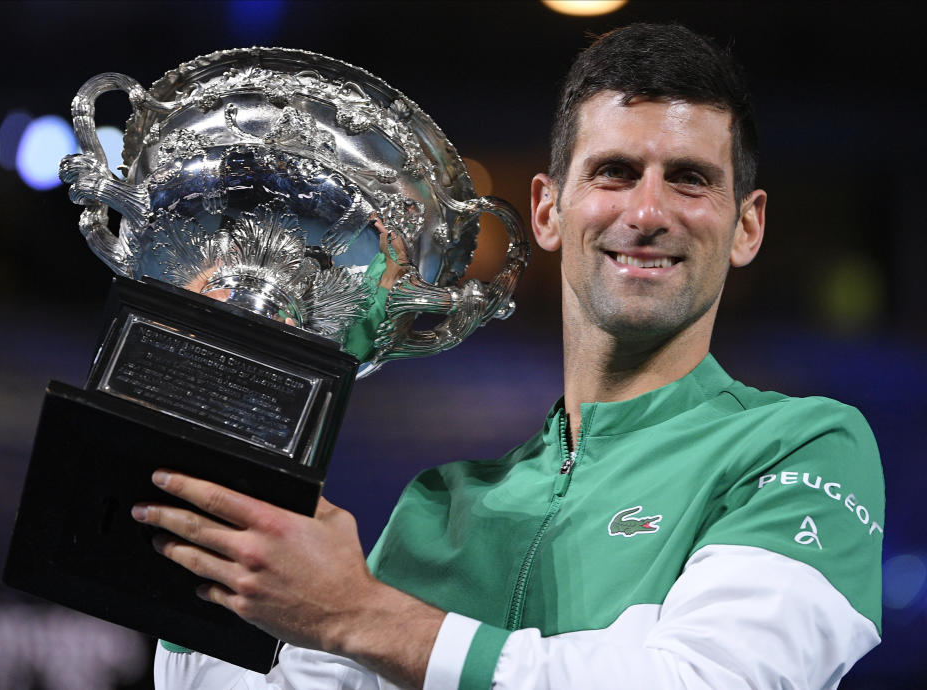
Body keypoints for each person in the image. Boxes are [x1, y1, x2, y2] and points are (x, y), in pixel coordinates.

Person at [132, 23, 884, 689]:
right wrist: (220, 417)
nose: (648, 212)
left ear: (747, 227)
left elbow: (702, 680)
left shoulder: (799, 448)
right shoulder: (442, 510)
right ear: (549, 210)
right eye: (614, 172)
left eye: (689, 179)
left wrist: (358, 612)